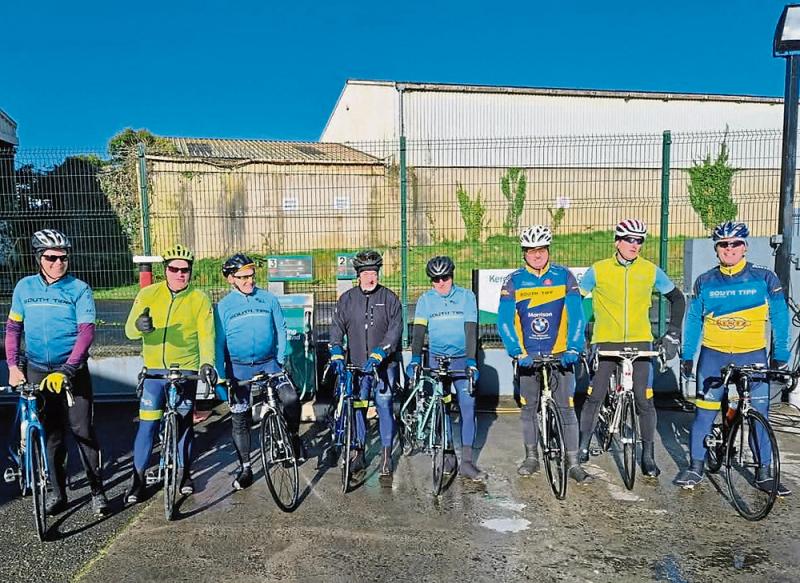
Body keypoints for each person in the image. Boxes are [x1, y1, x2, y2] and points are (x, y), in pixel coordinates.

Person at [677, 221, 791, 494]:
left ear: (745, 247)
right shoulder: (705, 280)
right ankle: (695, 466)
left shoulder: (764, 277)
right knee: (704, 414)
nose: (729, 249)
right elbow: (693, 320)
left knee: (758, 414)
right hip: (713, 356)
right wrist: (688, 354)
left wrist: (781, 354)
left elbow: (780, 317)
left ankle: (763, 472)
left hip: (752, 355)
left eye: (735, 244)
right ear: (717, 249)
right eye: (723, 244)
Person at [5, 229, 108, 515]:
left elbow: (86, 334)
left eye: (63, 258)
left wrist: (67, 370)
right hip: (37, 369)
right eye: (51, 258)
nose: (58, 263)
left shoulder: (79, 289)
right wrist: (13, 366)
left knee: (82, 431)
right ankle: (56, 492)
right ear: (39, 258)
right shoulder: (25, 288)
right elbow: (13, 329)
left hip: (71, 371)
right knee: (51, 434)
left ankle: (97, 490)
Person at [578, 219, 685, 478]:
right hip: (606, 341)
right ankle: (582, 445)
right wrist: (579, 338)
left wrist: (672, 334)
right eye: (629, 239)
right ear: (617, 242)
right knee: (595, 395)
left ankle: (647, 455)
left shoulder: (650, 270)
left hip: (640, 342)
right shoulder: (599, 270)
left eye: (639, 241)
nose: (634, 245)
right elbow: (576, 302)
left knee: (644, 400)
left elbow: (677, 298)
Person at [498, 225, 593, 484]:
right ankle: (531, 457)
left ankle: (573, 463)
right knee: (528, 410)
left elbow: (577, 315)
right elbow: (504, 320)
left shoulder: (564, 276)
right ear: (524, 253)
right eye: (530, 251)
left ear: (548, 250)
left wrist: (574, 347)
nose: (536, 255)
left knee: (566, 408)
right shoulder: (514, 280)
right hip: (528, 356)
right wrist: (517, 352)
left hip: (561, 354)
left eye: (540, 249)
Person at [124, 244, 217, 503]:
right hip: (155, 373)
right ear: (165, 270)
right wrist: (140, 326)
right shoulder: (148, 294)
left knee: (184, 424)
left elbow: (206, 335)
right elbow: (129, 332)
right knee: (148, 425)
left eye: (185, 270)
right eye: (174, 269)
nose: (180, 274)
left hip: (185, 372)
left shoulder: (199, 299)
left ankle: (186, 473)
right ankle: (138, 480)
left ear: (191, 272)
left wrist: (207, 364)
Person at [214, 253, 303, 491]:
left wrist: (281, 358)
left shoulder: (268, 298)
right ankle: (245, 468)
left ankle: (293, 436)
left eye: (251, 276)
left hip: (268, 363)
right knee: (240, 416)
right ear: (230, 279)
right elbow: (218, 343)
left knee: (291, 398)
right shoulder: (223, 306)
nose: (249, 281)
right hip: (238, 367)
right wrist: (221, 376)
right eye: (242, 277)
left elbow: (281, 329)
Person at [406, 256, 486, 480]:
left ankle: (468, 462)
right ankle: (448, 453)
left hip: (461, 358)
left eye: (445, 277)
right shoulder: (425, 300)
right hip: (436, 358)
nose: (441, 283)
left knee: (467, 404)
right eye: (435, 279)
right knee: (441, 406)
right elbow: (420, 332)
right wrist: (414, 358)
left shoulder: (466, 297)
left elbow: (471, 330)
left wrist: (471, 361)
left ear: (452, 276)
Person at [329, 249, 402, 477]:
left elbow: (395, 330)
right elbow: (336, 328)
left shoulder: (390, 298)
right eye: (367, 273)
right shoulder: (347, 299)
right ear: (358, 275)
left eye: (375, 272)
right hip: (357, 365)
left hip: (383, 366)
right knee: (358, 407)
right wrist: (337, 353)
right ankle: (359, 452)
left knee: (383, 406)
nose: (371, 277)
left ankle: (387, 456)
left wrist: (381, 352)